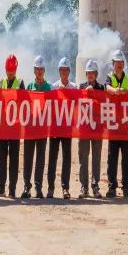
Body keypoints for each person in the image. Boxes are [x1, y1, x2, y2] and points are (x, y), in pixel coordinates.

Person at [105, 52, 128, 198]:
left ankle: (126, 187)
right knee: (112, 157)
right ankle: (112, 187)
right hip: (113, 124)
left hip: (126, 124)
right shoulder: (109, 77)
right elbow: (106, 88)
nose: (119, 65)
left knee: (126, 158)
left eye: (121, 62)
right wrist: (116, 91)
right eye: (117, 62)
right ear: (113, 64)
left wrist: (123, 92)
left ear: (124, 64)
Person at [0, 54, 24, 198]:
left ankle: (12, 189)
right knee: (2, 158)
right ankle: (1, 187)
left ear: (16, 69)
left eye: (12, 70)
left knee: (13, 159)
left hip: (15, 128)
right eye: (8, 70)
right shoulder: (0, 83)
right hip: (2, 128)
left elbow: (26, 103)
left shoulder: (20, 83)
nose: (10, 72)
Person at [22, 56, 51, 199]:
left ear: (44, 71)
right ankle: (27, 186)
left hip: (42, 129)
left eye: (41, 69)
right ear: (34, 71)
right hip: (30, 129)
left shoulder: (48, 88)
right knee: (28, 158)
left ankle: (38, 187)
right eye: (37, 69)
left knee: (40, 159)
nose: (39, 72)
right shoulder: (29, 87)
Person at [47, 58, 74, 199]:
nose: (64, 72)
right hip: (55, 128)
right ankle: (50, 188)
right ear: (59, 71)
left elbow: (78, 106)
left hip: (67, 128)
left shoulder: (74, 88)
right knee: (52, 158)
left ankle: (65, 187)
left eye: (66, 70)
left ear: (69, 71)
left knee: (66, 158)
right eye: (62, 70)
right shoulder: (53, 87)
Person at [77, 58, 103, 198]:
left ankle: (95, 185)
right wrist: (85, 93)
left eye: (93, 72)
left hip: (97, 128)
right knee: (83, 158)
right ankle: (84, 186)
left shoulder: (101, 89)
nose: (91, 75)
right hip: (84, 128)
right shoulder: (81, 87)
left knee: (96, 158)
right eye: (89, 72)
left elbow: (106, 107)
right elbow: (76, 105)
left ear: (96, 74)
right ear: (86, 74)